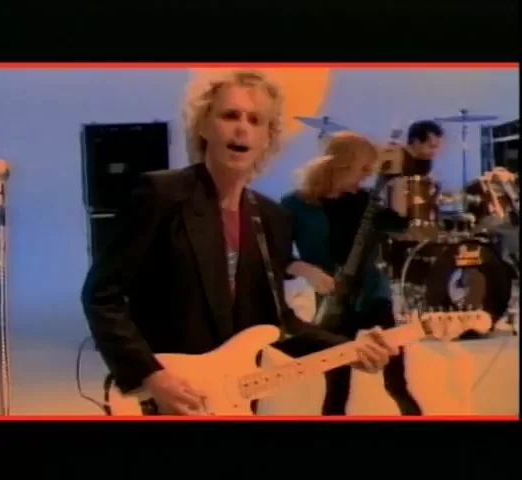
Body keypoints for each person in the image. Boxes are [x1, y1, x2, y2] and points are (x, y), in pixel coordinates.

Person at [81, 70, 398, 415]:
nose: (242, 128)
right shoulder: (161, 195)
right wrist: (152, 376)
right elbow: (102, 297)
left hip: (231, 401)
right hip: (164, 399)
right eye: (230, 115)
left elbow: (280, 323)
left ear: (267, 138)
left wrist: (350, 350)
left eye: (255, 120)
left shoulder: (271, 219)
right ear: (204, 126)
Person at [282, 131, 423, 416]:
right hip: (334, 301)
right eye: (363, 168)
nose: (367, 175)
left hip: (373, 295)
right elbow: (277, 256)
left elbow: (399, 224)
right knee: (337, 384)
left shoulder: (364, 201)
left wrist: (397, 178)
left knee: (396, 382)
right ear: (341, 165)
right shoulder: (294, 205)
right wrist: (307, 270)